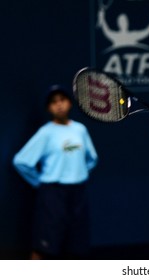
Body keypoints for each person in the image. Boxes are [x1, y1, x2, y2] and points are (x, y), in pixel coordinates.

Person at [13, 85, 98, 260]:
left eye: (62, 100)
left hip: (78, 193)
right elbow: (21, 161)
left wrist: (79, 172)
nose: (58, 105)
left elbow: (92, 158)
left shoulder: (80, 129)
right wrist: (40, 182)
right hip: (52, 195)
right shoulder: (45, 133)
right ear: (48, 108)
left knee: (77, 246)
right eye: (53, 102)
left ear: (69, 103)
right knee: (44, 245)